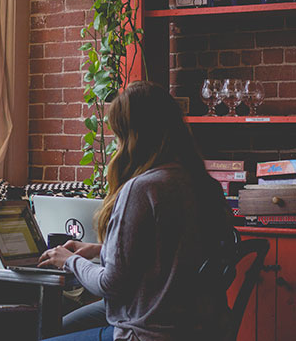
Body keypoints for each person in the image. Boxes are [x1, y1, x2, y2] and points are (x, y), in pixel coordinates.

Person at [38, 81, 235, 341]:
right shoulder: (202, 183)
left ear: (134, 136)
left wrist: (69, 260)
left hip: (147, 330)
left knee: (45, 332)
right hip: (193, 325)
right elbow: (172, 250)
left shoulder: (142, 189)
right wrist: (99, 249)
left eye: (119, 134)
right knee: (59, 326)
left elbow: (110, 284)